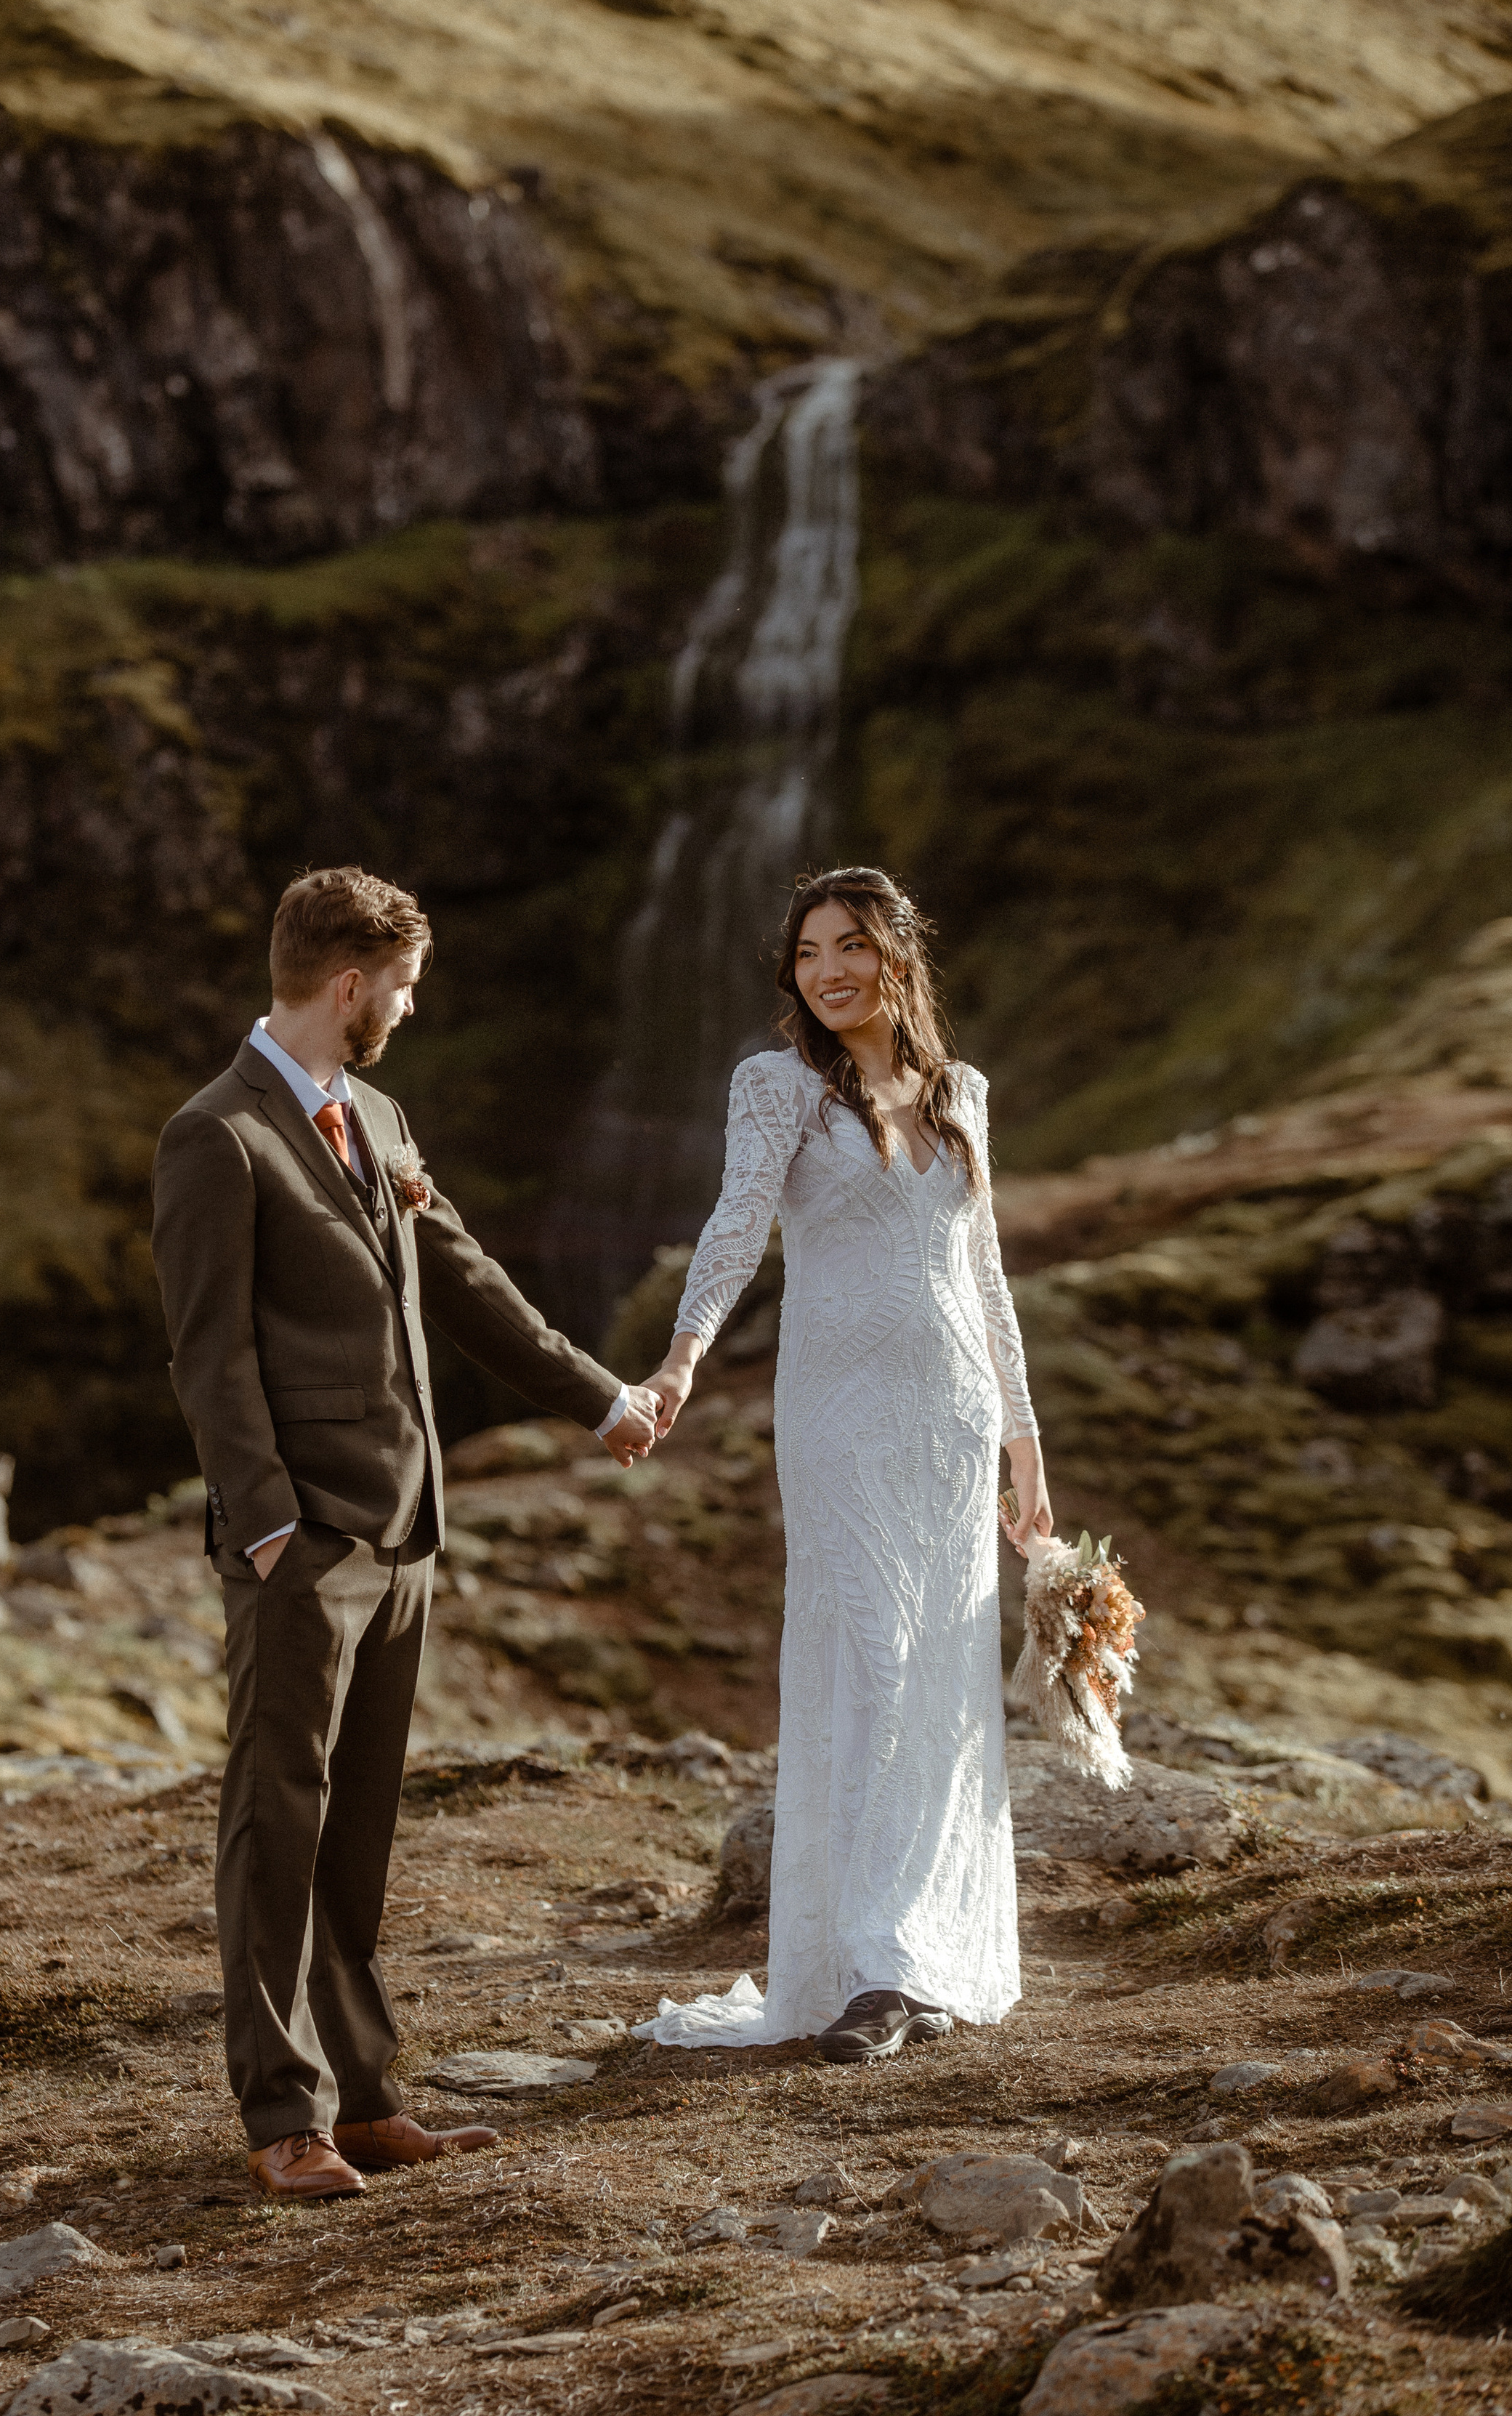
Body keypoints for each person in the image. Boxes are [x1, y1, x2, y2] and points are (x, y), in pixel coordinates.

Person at [152, 865, 660, 2199]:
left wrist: (600, 1398)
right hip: (302, 1544)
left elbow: (468, 1282)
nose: (414, 1008)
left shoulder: (375, 1112)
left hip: (406, 1533)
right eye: (406, 986)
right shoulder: (216, 1137)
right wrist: (267, 1531)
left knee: (358, 1829)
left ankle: (368, 2098)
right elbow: (209, 1360)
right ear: (349, 984)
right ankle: (282, 2120)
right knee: (277, 1826)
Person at [635, 868, 1050, 2062]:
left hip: (957, 1423)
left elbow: (989, 1283)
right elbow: (735, 1224)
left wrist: (1025, 1439)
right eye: (810, 952)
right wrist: (679, 1361)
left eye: (853, 947)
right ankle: (867, 1964)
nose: (829, 971)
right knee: (869, 1654)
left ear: (899, 959)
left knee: (940, 1675)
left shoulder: (961, 1092)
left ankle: (915, 1957)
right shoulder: (777, 1090)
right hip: (839, 1412)